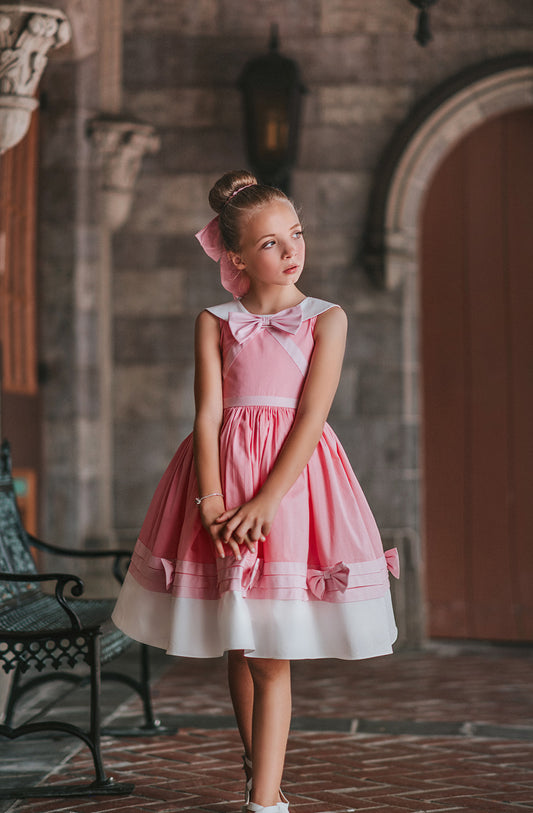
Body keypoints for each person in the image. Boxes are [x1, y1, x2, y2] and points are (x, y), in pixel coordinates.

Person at [112, 169, 399, 813]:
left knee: (271, 653)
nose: (292, 251)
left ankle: (265, 802)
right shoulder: (214, 320)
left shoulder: (327, 319)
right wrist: (210, 502)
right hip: (217, 485)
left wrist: (266, 501)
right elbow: (207, 415)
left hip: (291, 491)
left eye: (296, 235)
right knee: (238, 642)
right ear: (236, 256)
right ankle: (256, 769)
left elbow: (311, 417)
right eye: (272, 243)